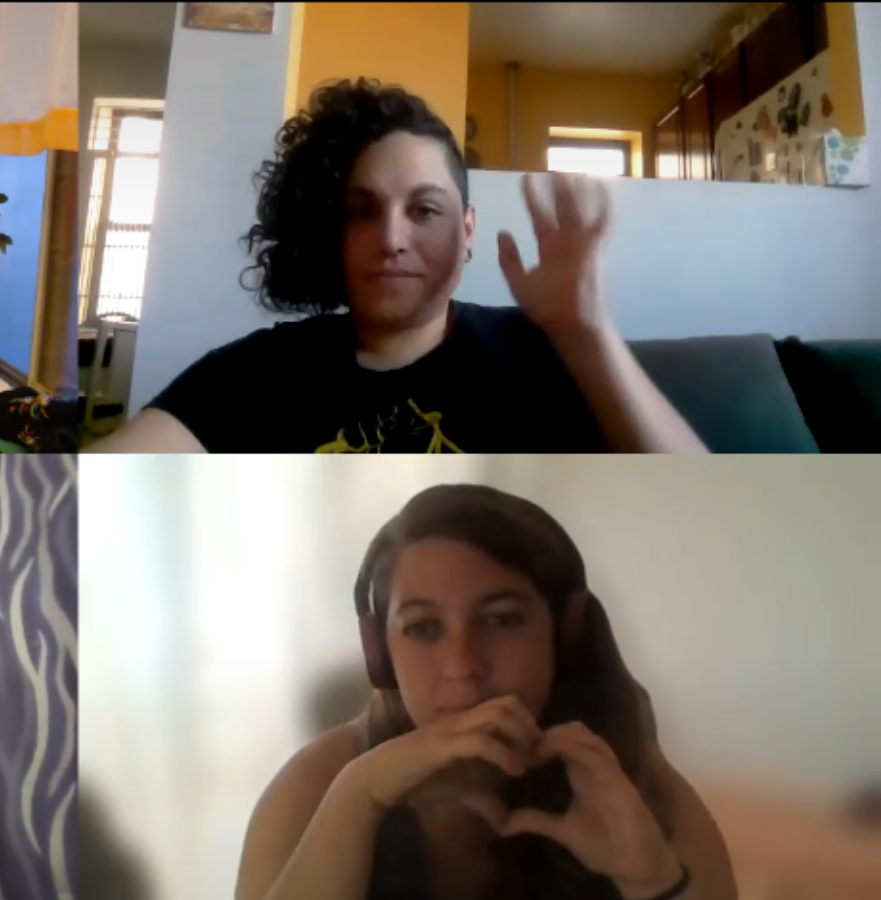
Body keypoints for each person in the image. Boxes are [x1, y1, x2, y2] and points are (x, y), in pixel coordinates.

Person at [87, 79, 707, 454]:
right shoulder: (257, 373)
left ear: (467, 231)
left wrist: (587, 331)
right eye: (362, 211)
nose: (390, 239)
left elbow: (701, 506)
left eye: (424, 210)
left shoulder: (538, 352)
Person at [235, 484, 736, 900]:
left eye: (501, 620)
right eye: (424, 629)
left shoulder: (633, 778)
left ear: (563, 635)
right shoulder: (318, 784)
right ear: (380, 654)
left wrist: (650, 882)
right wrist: (357, 800)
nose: (462, 667)